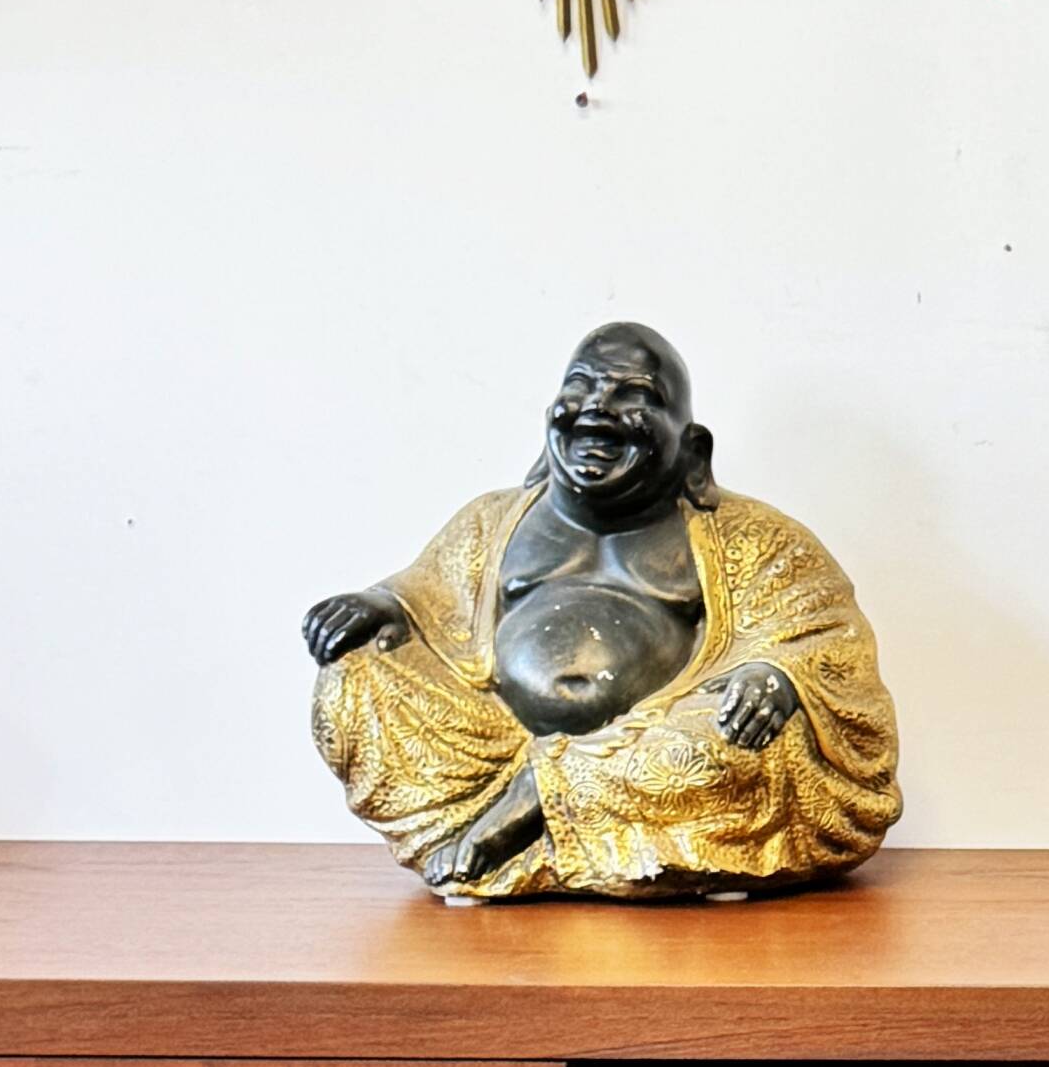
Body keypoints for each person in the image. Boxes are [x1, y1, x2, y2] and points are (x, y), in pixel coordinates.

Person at [305, 322, 899, 899]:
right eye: (581, 388)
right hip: (490, 746)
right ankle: (513, 806)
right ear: (548, 424)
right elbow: (427, 598)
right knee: (353, 679)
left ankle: (533, 805)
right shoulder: (491, 522)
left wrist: (776, 677)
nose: (597, 408)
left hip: (652, 750)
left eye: (634, 396)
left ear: (693, 448)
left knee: (730, 748)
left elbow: (824, 638)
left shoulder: (755, 538)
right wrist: (378, 605)